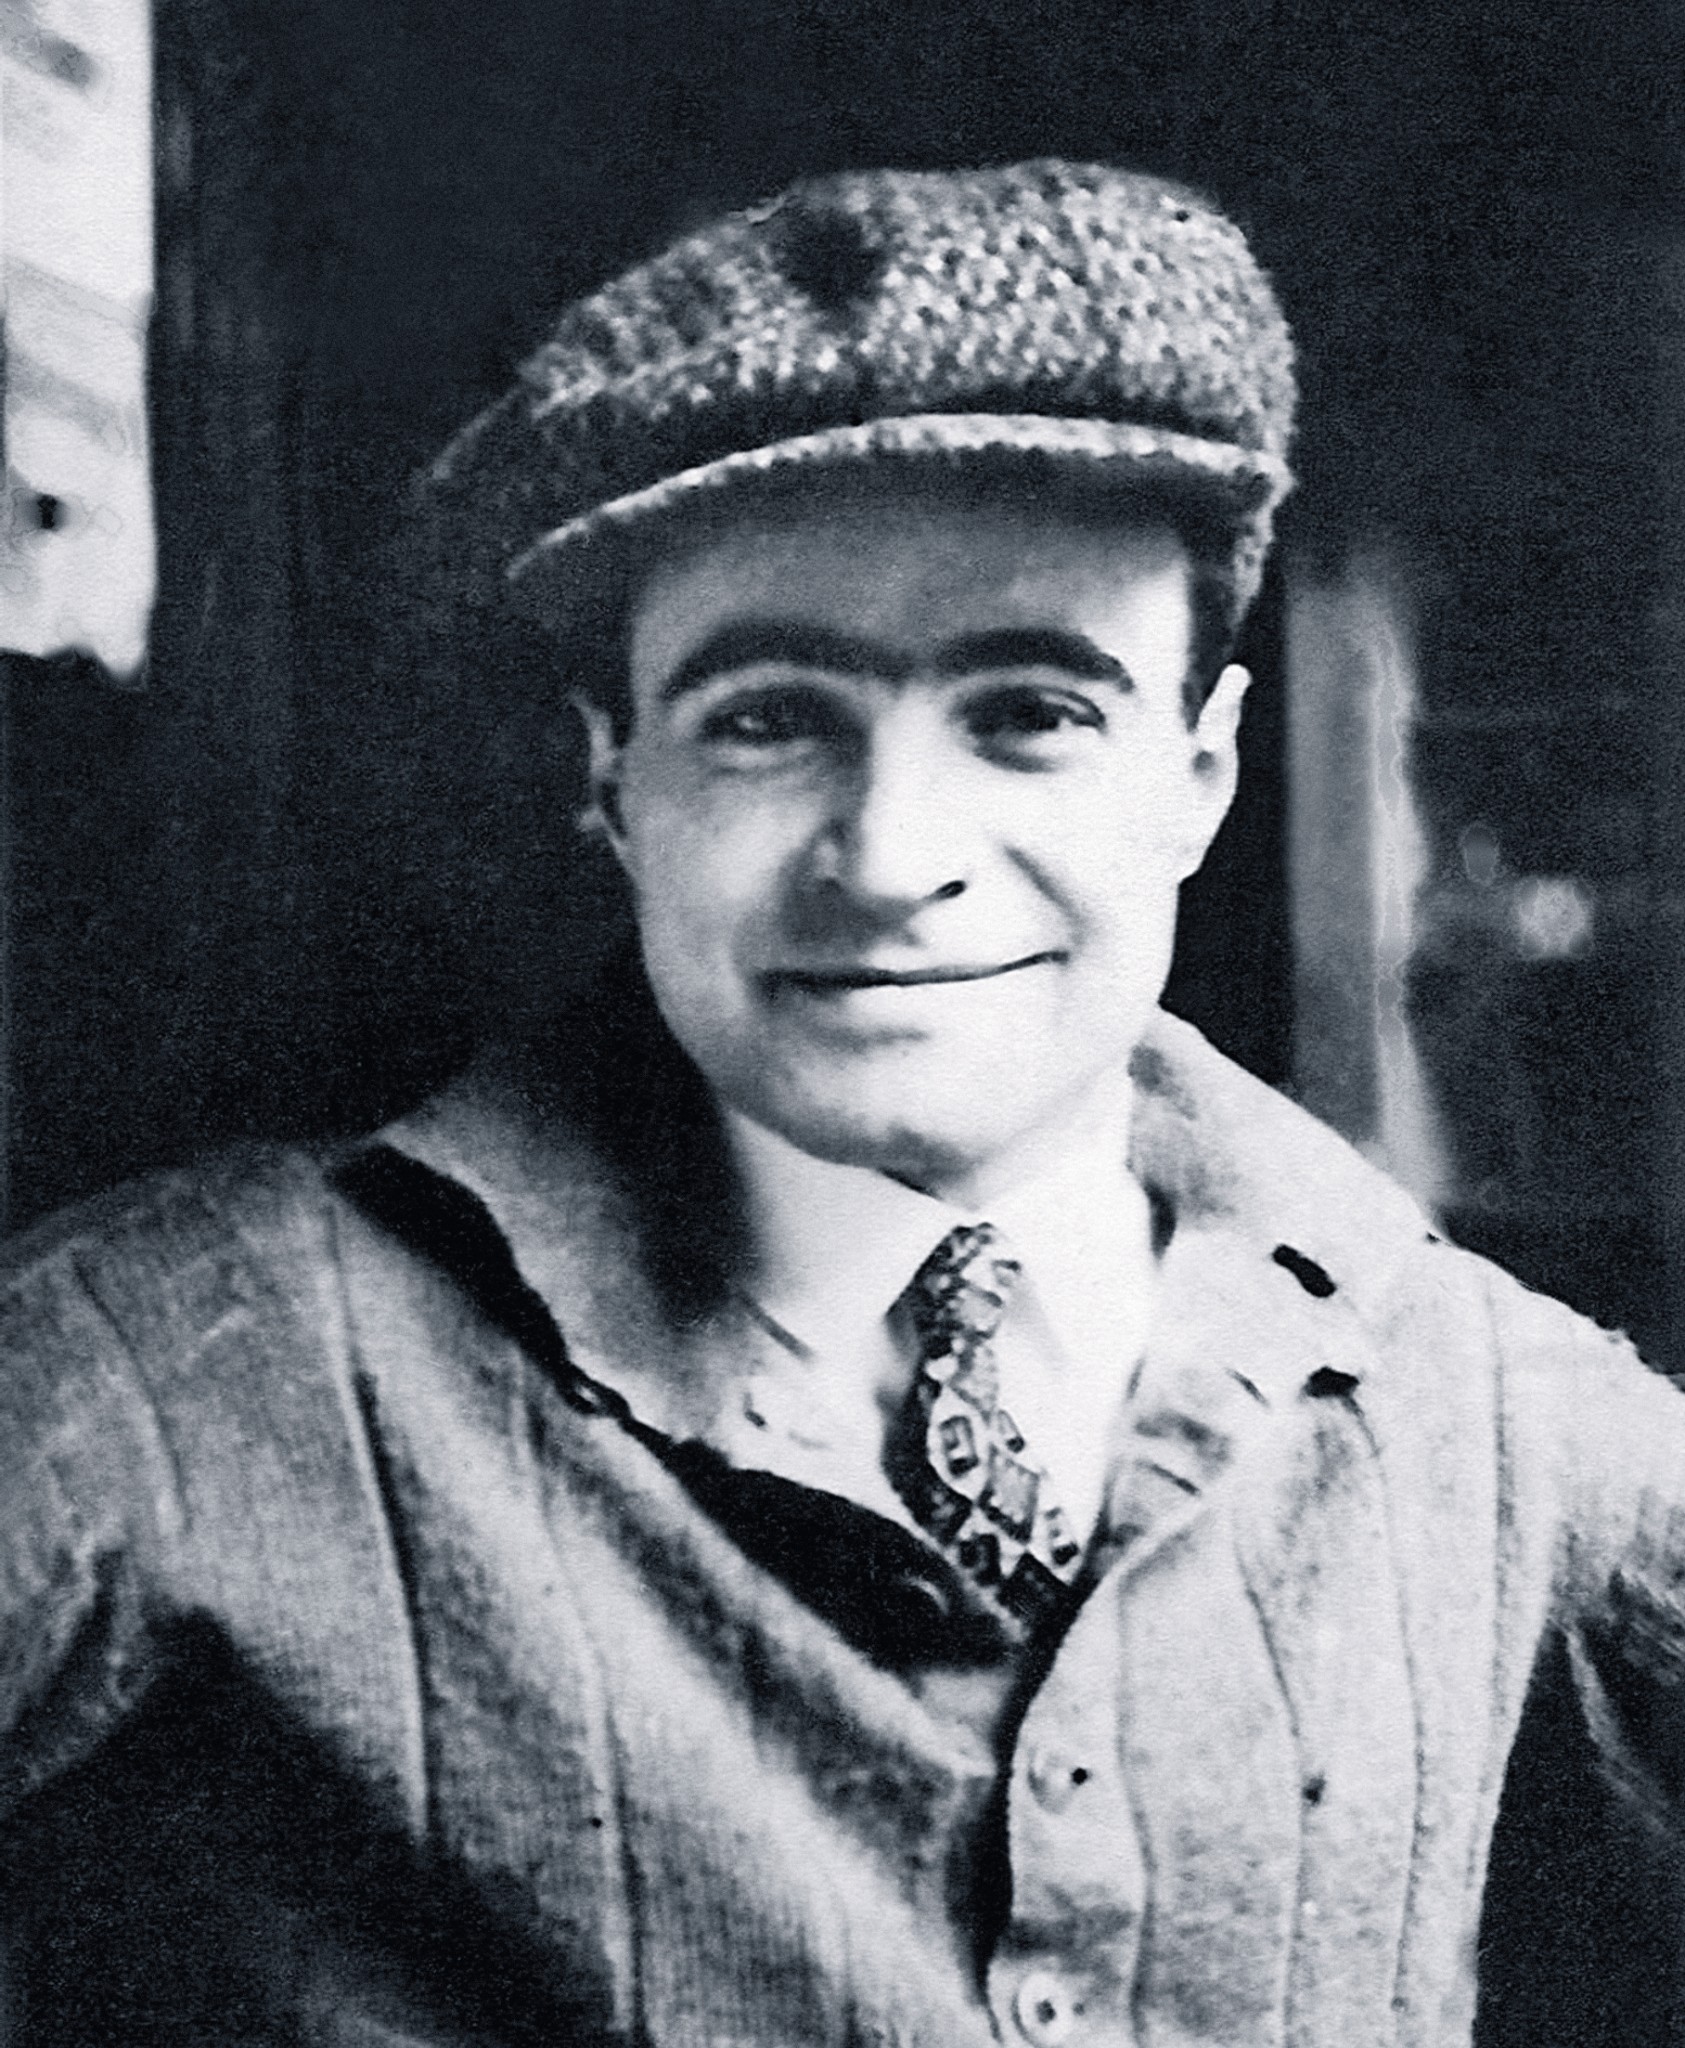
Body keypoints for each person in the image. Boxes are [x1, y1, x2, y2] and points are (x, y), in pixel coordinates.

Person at [0, 158, 1680, 2047]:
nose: (889, 859)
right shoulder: (171, 1370)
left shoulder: (1486, 1410)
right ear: (614, 782)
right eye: (767, 717)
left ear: (1198, 778)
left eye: (1029, 713)